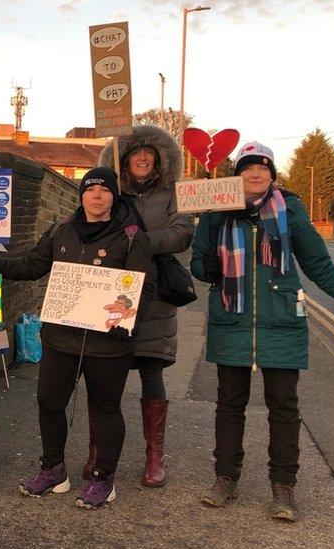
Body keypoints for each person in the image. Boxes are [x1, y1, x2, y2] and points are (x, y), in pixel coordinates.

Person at [191, 142, 334, 522]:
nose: (255, 174)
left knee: (284, 407)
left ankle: (284, 488)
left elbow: (321, 267)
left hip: (281, 319)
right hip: (232, 319)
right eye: (247, 168)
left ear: (271, 174)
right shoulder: (216, 212)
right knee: (229, 405)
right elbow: (197, 264)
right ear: (237, 174)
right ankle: (224, 479)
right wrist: (210, 268)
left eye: (262, 168)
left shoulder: (291, 210)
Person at [0, 167, 156, 509]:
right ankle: (54, 469)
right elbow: (30, 264)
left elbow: (142, 287)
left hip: (109, 343)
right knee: (49, 402)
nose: (96, 195)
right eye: (90, 189)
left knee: (105, 409)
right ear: (81, 195)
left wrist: (127, 321)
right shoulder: (62, 230)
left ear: (114, 196)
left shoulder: (130, 236)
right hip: (60, 337)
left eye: (104, 190)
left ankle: (103, 478)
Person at [98, 125, 192, 487]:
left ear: (159, 159)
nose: (141, 158)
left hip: (155, 294)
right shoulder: (110, 192)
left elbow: (183, 233)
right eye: (134, 153)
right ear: (123, 159)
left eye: (148, 153)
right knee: (107, 377)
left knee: (152, 373)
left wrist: (136, 242)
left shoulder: (173, 194)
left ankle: (155, 457)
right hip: (112, 292)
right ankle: (99, 451)